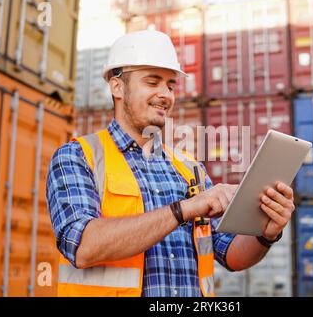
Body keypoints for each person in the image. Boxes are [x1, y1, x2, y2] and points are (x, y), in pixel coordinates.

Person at [46, 30, 295, 297]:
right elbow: (82, 246)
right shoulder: (78, 157)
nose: (165, 94)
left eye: (171, 85)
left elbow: (229, 253)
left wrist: (265, 235)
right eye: (152, 82)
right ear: (117, 87)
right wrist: (184, 209)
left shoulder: (190, 170)